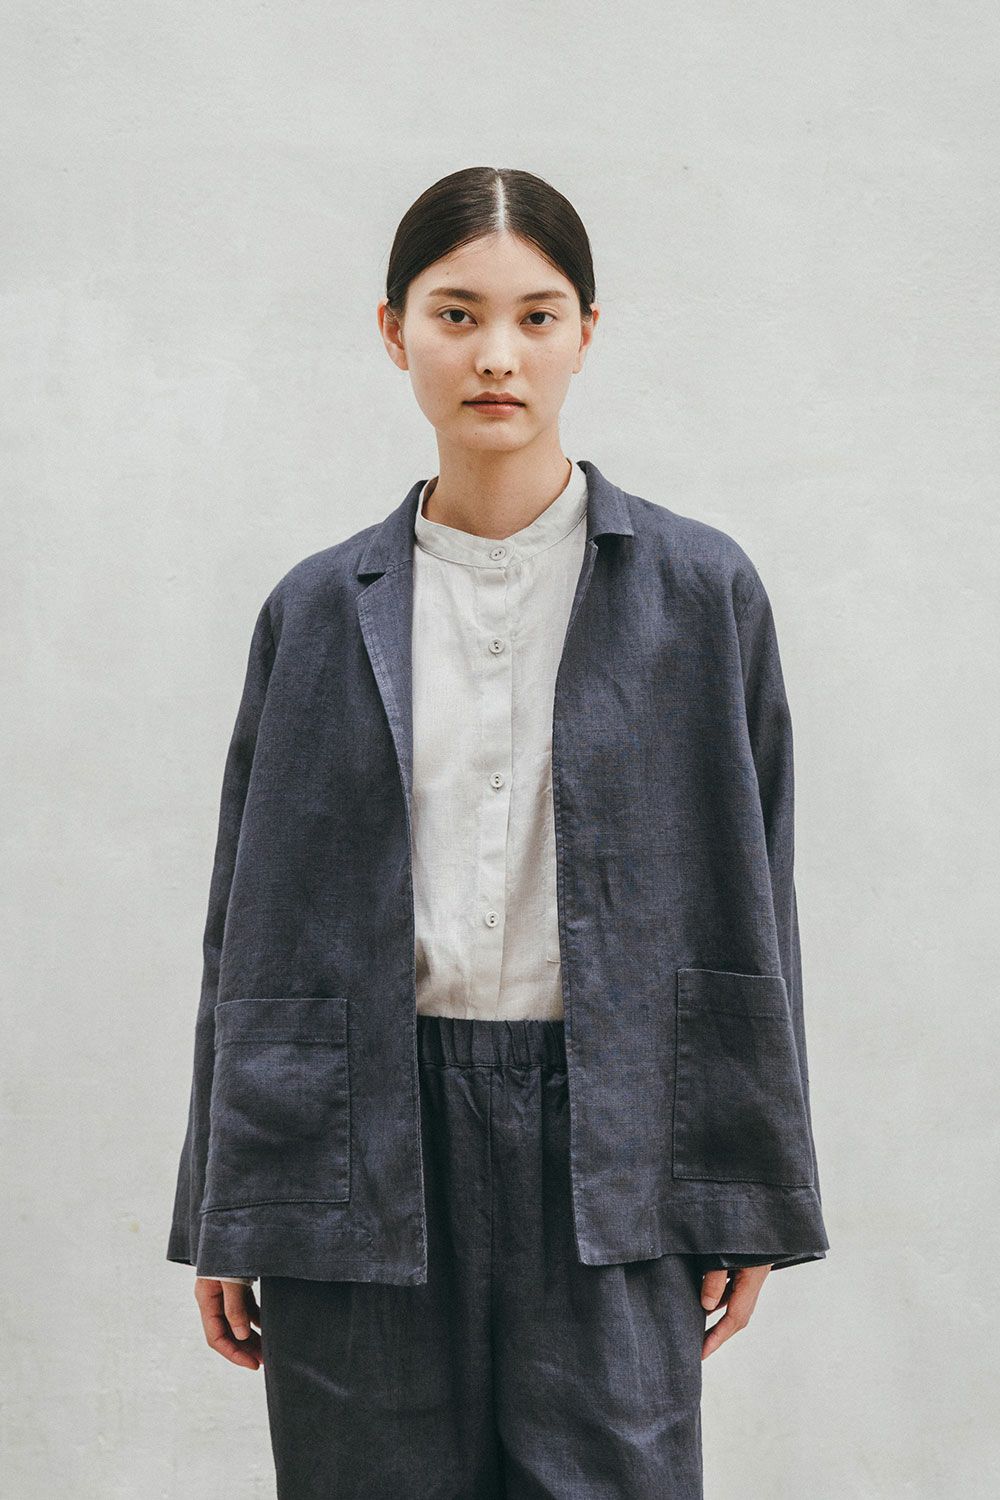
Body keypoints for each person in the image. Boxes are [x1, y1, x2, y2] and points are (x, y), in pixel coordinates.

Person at [168, 166, 829, 1498]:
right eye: (456, 313)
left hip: (615, 1134)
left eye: (536, 317)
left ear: (587, 332)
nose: (495, 355)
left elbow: (754, 896)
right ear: (394, 330)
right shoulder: (316, 609)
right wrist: (228, 1198)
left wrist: (745, 1183)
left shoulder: (700, 594)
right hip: (360, 1133)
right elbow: (249, 921)